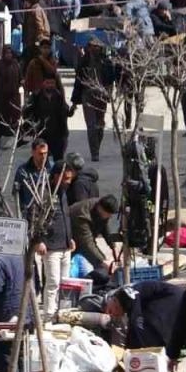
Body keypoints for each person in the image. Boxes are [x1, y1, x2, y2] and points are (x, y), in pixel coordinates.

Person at [36, 163, 75, 316]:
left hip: (65, 246)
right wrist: (40, 240)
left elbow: (65, 217)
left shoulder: (63, 193)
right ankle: (49, 315)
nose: (68, 182)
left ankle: (62, 313)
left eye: (70, 179)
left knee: (65, 283)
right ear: (56, 176)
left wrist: (69, 238)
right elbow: (36, 219)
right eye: (65, 178)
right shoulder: (45, 193)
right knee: (53, 283)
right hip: (51, 247)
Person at [106, 281, 185, 350]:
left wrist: (130, 350)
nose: (113, 315)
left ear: (114, 301)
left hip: (170, 297)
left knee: (151, 325)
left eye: (111, 311)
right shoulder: (126, 303)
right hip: (174, 299)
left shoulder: (126, 294)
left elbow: (136, 321)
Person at [71, 39, 113, 161]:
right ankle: (94, 153)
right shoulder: (83, 62)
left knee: (100, 124)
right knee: (91, 125)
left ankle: (96, 147)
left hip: (101, 95)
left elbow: (110, 79)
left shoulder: (106, 61)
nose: (94, 49)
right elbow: (78, 82)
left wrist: (110, 93)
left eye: (97, 46)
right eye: (91, 46)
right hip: (87, 95)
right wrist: (74, 102)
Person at [71, 195, 119, 275]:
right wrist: (103, 261)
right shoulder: (83, 214)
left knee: (102, 267)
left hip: (83, 240)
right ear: (100, 208)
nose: (110, 217)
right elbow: (87, 242)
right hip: (69, 239)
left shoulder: (102, 207)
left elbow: (105, 228)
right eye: (108, 214)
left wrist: (113, 247)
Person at [0, 45, 23, 129]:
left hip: (14, 96)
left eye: (10, 53)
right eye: (7, 53)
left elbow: (20, 79)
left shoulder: (16, 65)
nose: (9, 55)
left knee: (14, 117)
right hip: (1, 97)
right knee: (2, 119)